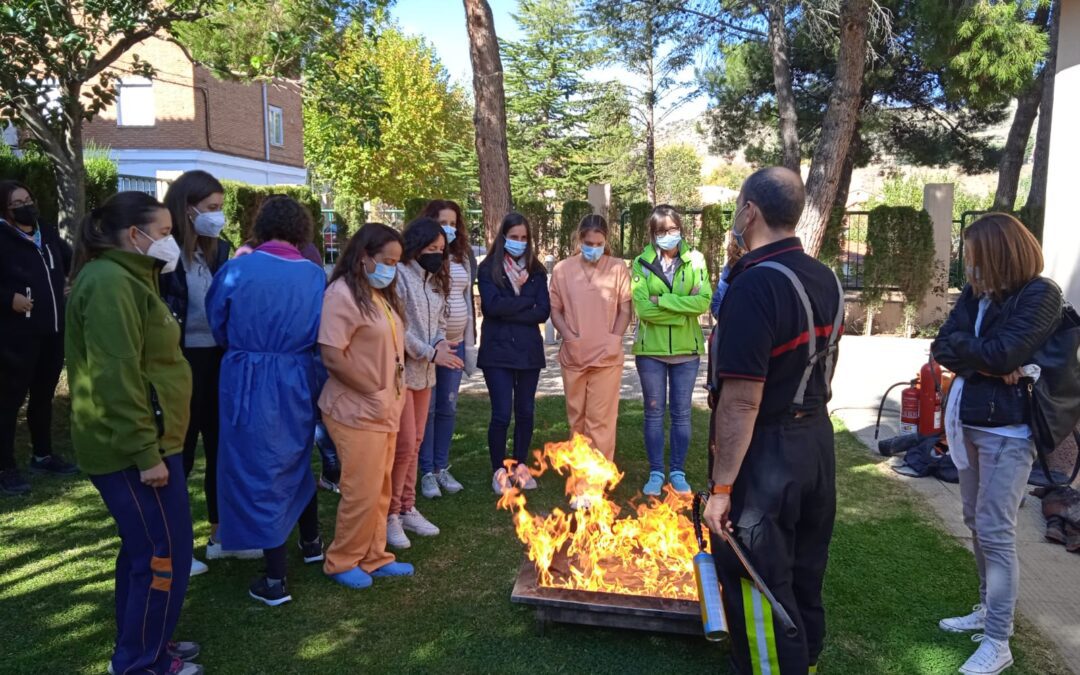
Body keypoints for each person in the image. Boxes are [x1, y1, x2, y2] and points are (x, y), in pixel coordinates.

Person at [703, 167, 845, 675]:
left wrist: (722, 489)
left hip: (767, 456)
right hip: (816, 444)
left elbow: (742, 400)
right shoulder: (824, 275)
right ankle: (803, 660)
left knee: (756, 578)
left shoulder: (755, 285)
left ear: (750, 211)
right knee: (805, 569)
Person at [65, 191, 202, 675]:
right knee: (161, 555)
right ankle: (139, 662)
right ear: (134, 235)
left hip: (155, 441)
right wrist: (147, 454)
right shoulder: (109, 284)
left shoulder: (129, 278)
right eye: (164, 234)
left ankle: (149, 641)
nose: (170, 243)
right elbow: (115, 376)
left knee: (149, 551)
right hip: (134, 450)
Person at [932, 213, 1063, 675]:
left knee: (995, 529)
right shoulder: (978, 294)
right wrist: (987, 363)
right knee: (974, 520)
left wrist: (988, 358)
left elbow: (1005, 353)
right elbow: (941, 346)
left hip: (1010, 430)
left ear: (999, 255)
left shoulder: (1042, 294)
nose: (968, 270)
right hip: (970, 420)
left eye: (975, 259)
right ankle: (987, 607)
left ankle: (998, 641)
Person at [205, 195, 325, 607]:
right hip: (295, 374)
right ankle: (311, 542)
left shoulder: (237, 269)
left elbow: (217, 320)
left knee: (259, 468)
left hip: (247, 375)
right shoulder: (313, 275)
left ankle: (275, 577)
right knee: (294, 455)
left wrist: (246, 347)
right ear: (301, 231)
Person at [160, 170, 257, 576]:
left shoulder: (220, 251)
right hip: (179, 362)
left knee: (222, 448)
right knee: (178, 454)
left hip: (219, 360)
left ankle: (221, 534)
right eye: (212, 208)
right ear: (188, 208)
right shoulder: (163, 254)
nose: (218, 216)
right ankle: (174, 545)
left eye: (220, 208)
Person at [320, 223, 416, 588]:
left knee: (380, 487)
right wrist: (370, 391)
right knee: (360, 489)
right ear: (364, 258)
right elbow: (332, 354)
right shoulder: (341, 294)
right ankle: (342, 559)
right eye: (386, 260)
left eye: (396, 260)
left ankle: (375, 555)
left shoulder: (379, 296)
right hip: (355, 409)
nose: (392, 267)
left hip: (382, 408)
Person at [386, 217, 461, 549]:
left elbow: (441, 320)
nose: (437, 255)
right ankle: (390, 514)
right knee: (402, 447)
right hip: (403, 373)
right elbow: (398, 328)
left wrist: (441, 344)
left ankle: (407, 506)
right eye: (431, 249)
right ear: (415, 246)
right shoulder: (400, 277)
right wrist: (430, 352)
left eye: (441, 250)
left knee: (415, 443)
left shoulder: (435, 280)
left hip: (426, 375)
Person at [0, 180, 78, 495]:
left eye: (28, 199)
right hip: (15, 336)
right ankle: (5, 467)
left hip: (51, 329)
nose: (26, 205)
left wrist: (68, 281)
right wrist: (9, 299)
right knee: (9, 401)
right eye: (17, 202)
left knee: (43, 396)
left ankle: (43, 454)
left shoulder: (44, 230)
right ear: (5, 209)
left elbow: (69, 259)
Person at [630, 205, 711, 496]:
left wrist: (661, 300)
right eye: (662, 231)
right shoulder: (640, 263)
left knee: (681, 414)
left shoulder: (696, 260)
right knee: (653, 413)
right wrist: (681, 309)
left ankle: (677, 470)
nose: (668, 235)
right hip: (650, 351)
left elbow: (703, 302)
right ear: (653, 234)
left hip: (686, 352)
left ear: (681, 229)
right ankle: (655, 471)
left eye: (673, 229)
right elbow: (642, 309)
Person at [548, 214, 632, 461]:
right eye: (589, 243)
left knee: (600, 420)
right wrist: (569, 337)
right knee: (577, 418)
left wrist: (614, 339)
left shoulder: (617, 268)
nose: (594, 249)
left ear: (606, 241)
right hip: (574, 354)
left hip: (607, 356)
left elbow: (625, 309)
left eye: (599, 244)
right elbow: (555, 310)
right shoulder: (563, 270)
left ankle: (594, 482)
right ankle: (580, 477)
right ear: (579, 239)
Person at [478, 212, 550, 495]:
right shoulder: (488, 270)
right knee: (501, 414)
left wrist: (514, 306)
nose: (519, 242)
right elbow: (491, 307)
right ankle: (499, 468)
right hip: (497, 352)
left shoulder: (537, 270)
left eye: (524, 238)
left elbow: (542, 311)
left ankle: (520, 464)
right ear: (503, 237)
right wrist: (526, 305)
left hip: (528, 352)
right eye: (514, 237)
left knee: (526, 411)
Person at [417, 199, 477, 499]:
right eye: (443, 222)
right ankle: (425, 471)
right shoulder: (424, 257)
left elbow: (465, 300)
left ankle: (441, 466)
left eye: (454, 223)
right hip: (429, 346)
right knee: (425, 411)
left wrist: (469, 340)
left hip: (455, 342)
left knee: (448, 407)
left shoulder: (463, 257)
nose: (449, 228)